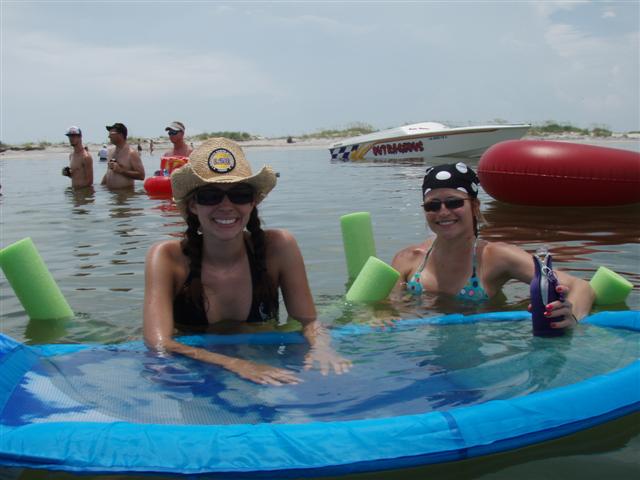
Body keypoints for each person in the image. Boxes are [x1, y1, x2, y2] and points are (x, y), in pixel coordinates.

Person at [143, 138, 351, 385]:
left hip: (263, 362)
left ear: (253, 202)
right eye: (210, 196)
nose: (226, 206)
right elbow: (159, 343)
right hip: (196, 371)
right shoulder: (167, 258)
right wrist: (235, 364)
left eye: (239, 195)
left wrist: (322, 347)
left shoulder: (279, 247)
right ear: (193, 205)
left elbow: (308, 321)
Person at [391, 162, 595, 327]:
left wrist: (571, 318)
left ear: (474, 206)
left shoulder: (496, 257)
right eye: (432, 205)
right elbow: (387, 306)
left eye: (454, 202)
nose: (443, 212)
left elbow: (581, 287)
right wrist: (382, 316)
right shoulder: (408, 259)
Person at [101, 123, 145, 189]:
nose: (109, 136)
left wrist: (121, 170)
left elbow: (141, 176)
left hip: (125, 193)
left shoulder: (131, 153)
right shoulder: (110, 151)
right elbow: (109, 172)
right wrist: (101, 187)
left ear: (120, 135)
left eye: (111, 134)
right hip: (110, 194)